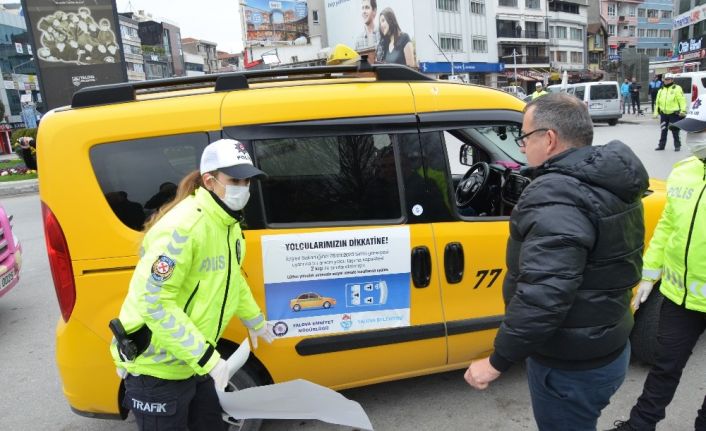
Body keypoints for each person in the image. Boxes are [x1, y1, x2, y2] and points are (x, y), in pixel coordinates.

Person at [464, 93, 649, 431]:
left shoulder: (556, 196)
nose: (521, 147)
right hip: (609, 346)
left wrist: (496, 361)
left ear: (548, 139)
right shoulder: (611, 181)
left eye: (524, 137)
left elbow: (544, 296)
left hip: (570, 367)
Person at [110, 138, 274, 430]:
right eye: (234, 179)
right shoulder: (182, 229)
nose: (243, 187)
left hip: (193, 361)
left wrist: (254, 319)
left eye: (247, 180)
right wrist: (209, 359)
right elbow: (155, 302)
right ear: (210, 181)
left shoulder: (229, 225)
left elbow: (231, 278)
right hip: (156, 369)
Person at [608, 95, 706, 431]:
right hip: (680, 299)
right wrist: (648, 276)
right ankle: (639, 426)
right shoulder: (685, 171)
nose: (694, 138)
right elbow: (667, 228)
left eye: (701, 131)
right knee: (665, 366)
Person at [653, 73, 686, 151]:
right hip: (664, 114)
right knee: (663, 130)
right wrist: (655, 113)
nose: (666, 81)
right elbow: (657, 102)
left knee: (675, 130)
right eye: (665, 79)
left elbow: (682, 100)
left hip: (673, 114)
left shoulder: (677, 88)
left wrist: (683, 110)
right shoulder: (661, 90)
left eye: (668, 79)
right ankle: (661, 146)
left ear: (672, 80)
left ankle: (677, 145)